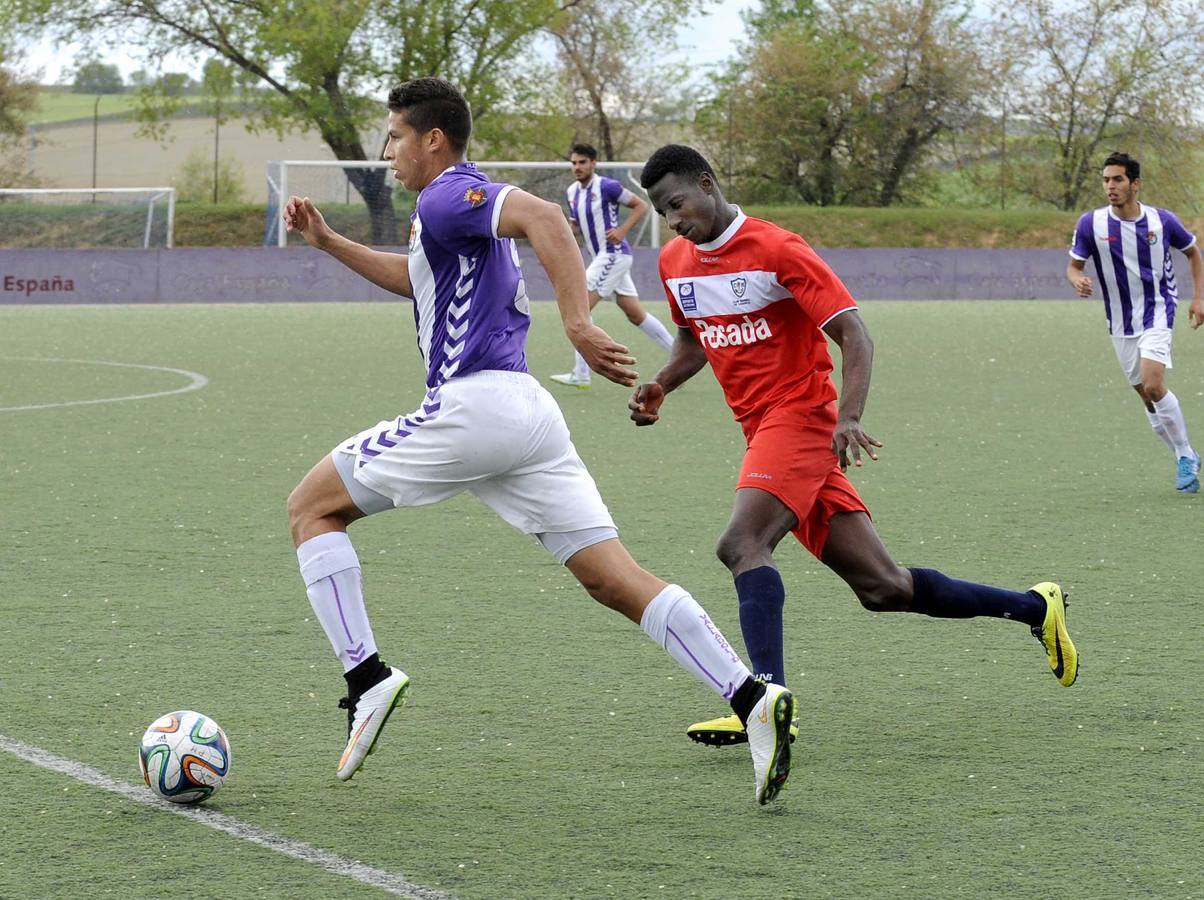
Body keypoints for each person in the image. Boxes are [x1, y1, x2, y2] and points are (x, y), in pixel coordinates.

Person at [282, 80, 792, 804]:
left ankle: (367, 679)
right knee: (611, 579)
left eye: (395, 135)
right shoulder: (445, 218)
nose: (387, 151)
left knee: (310, 509)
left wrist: (579, 321)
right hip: (528, 417)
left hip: (475, 408)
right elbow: (420, 282)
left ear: (433, 138)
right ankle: (750, 695)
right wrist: (329, 241)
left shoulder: (445, 194)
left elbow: (545, 214)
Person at [628, 144, 1079, 748]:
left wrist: (849, 415)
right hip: (761, 432)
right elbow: (693, 344)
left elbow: (853, 332)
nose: (674, 220)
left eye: (678, 203)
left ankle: (761, 705)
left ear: (707, 184)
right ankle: (1035, 609)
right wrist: (661, 383)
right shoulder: (675, 262)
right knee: (883, 588)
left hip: (804, 418)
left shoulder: (778, 249)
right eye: (663, 211)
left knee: (742, 544)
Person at [1067, 151, 1204, 493]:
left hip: (1158, 309)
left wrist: (1199, 298)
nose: (1110, 186)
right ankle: (1184, 454)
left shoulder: (1162, 221)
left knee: (1155, 385)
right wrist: (1076, 280)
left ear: (1135, 184)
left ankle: (1185, 455)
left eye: (1117, 179)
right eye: (1106, 180)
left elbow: (1193, 252)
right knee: (1147, 398)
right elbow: (1074, 266)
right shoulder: (1091, 224)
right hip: (1119, 320)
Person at [549, 143, 675, 389]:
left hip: (613, 255)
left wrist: (622, 230)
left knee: (580, 307)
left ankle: (581, 374)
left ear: (593, 163)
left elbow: (641, 205)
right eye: (574, 163)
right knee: (635, 314)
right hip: (603, 258)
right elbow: (575, 226)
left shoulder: (607, 186)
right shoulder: (572, 191)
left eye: (582, 162)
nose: (577, 167)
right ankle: (678, 356)